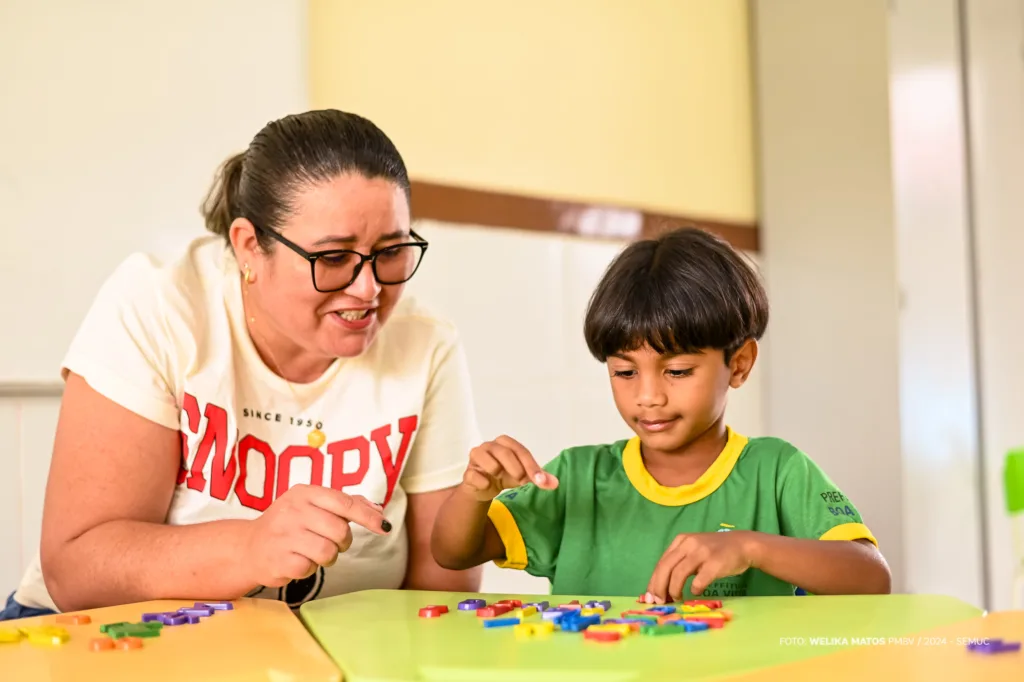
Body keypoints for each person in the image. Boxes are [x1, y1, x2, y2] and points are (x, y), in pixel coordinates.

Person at [2, 109, 481, 621]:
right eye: (334, 257)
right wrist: (251, 548)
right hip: (107, 641)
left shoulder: (425, 342)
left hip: (317, 653)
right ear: (249, 246)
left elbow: (439, 592)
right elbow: (77, 569)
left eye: (391, 252)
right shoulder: (161, 305)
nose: (369, 289)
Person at [431, 227, 891, 602]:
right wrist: (474, 493)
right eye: (625, 372)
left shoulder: (777, 471)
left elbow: (871, 579)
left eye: (677, 370)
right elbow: (453, 553)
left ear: (740, 363)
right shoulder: (578, 476)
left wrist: (751, 547)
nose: (648, 396)